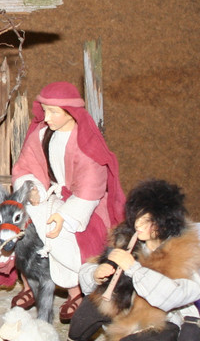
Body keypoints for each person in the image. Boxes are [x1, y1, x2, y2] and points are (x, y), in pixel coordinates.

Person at [46, 179, 200, 341]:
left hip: (161, 321)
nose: (138, 224)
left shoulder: (183, 257)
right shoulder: (127, 239)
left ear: (164, 223)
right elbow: (90, 269)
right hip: (124, 310)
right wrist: (96, 274)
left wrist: (134, 269)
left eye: (147, 221)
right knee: (91, 306)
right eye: (138, 217)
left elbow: (173, 296)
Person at [10, 81, 125, 322]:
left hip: (81, 205)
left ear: (70, 112)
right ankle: (30, 284)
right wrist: (32, 189)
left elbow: (91, 185)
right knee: (21, 227)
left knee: (73, 238)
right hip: (49, 195)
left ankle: (76, 291)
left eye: (54, 112)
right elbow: (26, 166)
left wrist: (65, 215)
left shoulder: (85, 142)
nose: (46, 117)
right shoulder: (42, 134)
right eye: (45, 110)